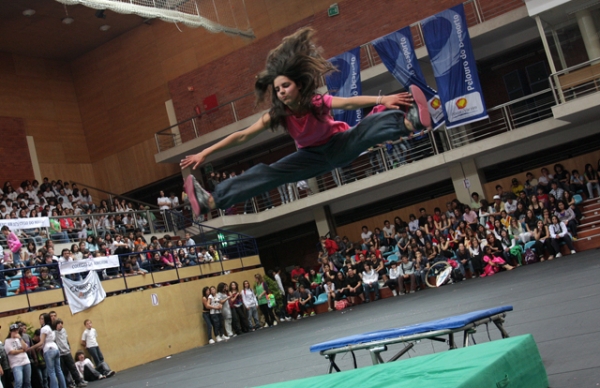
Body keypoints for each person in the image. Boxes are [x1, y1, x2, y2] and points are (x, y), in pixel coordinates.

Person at [181, 27, 430, 216]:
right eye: (277, 89)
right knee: (266, 173)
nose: (281, 92)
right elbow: (243, 136)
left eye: (285, 86)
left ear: (298, 85)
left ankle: (410, 123)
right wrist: (206, 152)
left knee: (364, 129)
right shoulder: (277, 115)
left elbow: (349, 103)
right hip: (309, 158)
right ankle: (211, 201)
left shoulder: (316, 102)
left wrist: (382, 98)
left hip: (338, 144)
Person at [30, 313, 67, 388]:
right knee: (59, 370)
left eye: (42, 319)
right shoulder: (51, 327)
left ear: (45, 320)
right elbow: (48, 340)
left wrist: (31, 348)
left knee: (51, 372)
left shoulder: (44, 328)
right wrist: (41, 347)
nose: (40, 320)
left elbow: (41, 342)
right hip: (55, 348)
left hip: (49, 350)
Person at [53, 319, 87, 388]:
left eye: (61, 323)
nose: (60, 325)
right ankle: (69, 384)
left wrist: (69, 347)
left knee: (73, 368)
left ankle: (79, 381)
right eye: (59, 324)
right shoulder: (54, 333)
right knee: (64, 370)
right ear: (56, 325)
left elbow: (66, 340)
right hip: (60, 354)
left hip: (67, 352)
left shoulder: (64, 330)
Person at [5, 323, 31, 388]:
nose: (16, 332)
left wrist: (20, 338)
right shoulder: (7, 341)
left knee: (27, 381)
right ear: (10, 332)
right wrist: (22, 351)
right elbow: (11, 352)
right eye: (14, 331)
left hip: (26, 362)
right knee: (19, 382)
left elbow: (26, 347)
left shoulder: (19, 339)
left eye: (17, 330)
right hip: (16, 364)